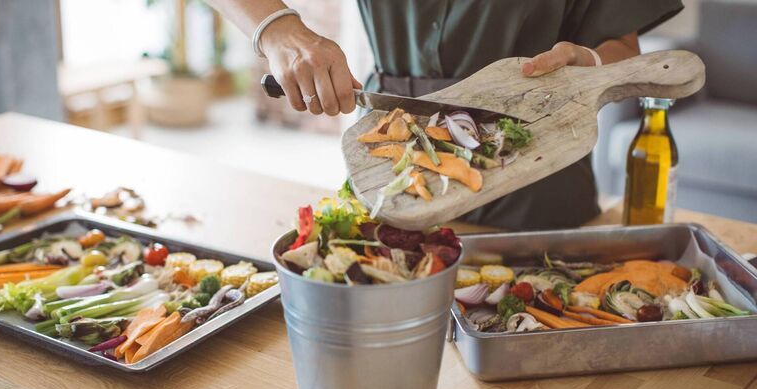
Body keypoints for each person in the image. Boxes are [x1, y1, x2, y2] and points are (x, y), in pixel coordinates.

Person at [209, 0, 684, 230]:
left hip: (540, 183)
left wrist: (592, 68)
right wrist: (277, 30)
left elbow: (623, 44)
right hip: (395, 174)